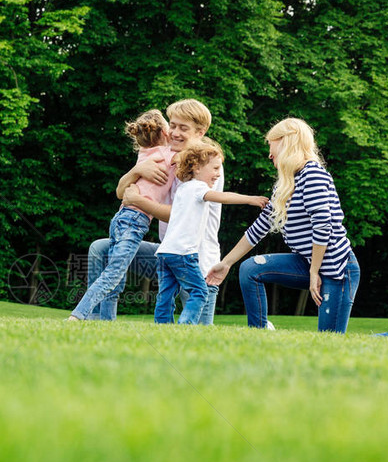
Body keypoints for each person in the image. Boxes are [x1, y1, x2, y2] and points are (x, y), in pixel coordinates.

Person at [205, 117, 388, 338]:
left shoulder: (312, 174)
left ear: (287, 142)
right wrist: (226, 263)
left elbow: (322, 225)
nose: (269, 154)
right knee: (250, 269)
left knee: (329, 344)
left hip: (338, 270)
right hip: (309, 265)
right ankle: (259, 336)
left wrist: (315, 271)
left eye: (271, 145)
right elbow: (259, 227)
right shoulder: (286, 184)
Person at [85, 99, 222, 322]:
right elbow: (121, 192)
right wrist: (137, 170)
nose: (174, 133)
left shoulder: (207, 164)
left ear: (201, 131)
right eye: (173, 125)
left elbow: (178, 215)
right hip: (167, 256)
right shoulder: (166, 156)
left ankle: (264, 327)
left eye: (183, 128)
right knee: (101, 249)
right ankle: (99, 321)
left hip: (196, 262)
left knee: (196, 342)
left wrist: (138, 200)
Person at [68, 110, 175, 321]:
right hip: (134, 221)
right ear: (165, 132)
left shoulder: (144, 155)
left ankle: (106, 322)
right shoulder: (166, 155)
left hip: (122, 219)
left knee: (116, 277)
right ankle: (78, 316)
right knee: (113, 274)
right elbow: (192, 153)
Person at [154, 139, 268, 324]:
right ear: (197, 168)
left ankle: (162, 325)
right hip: (183, 253)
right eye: (215, 169)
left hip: (165, 252)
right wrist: (250, 199)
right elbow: (221, 197)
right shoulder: (199, 187)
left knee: (165, 295)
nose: (217, 174)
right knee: (200, 292)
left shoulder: (182, 189)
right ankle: (185, 326)